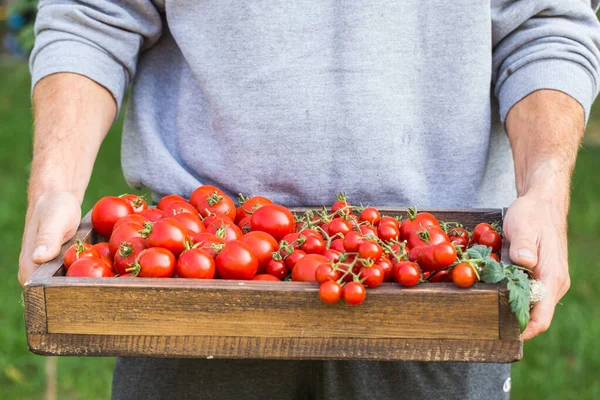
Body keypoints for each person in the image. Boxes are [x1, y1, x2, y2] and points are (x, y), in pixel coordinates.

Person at [18, 1, 600, 399]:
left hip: (434, 283)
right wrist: (56, 185)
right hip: (195, 294)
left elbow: (542, 22)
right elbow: (94, 14)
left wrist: (545, 187)